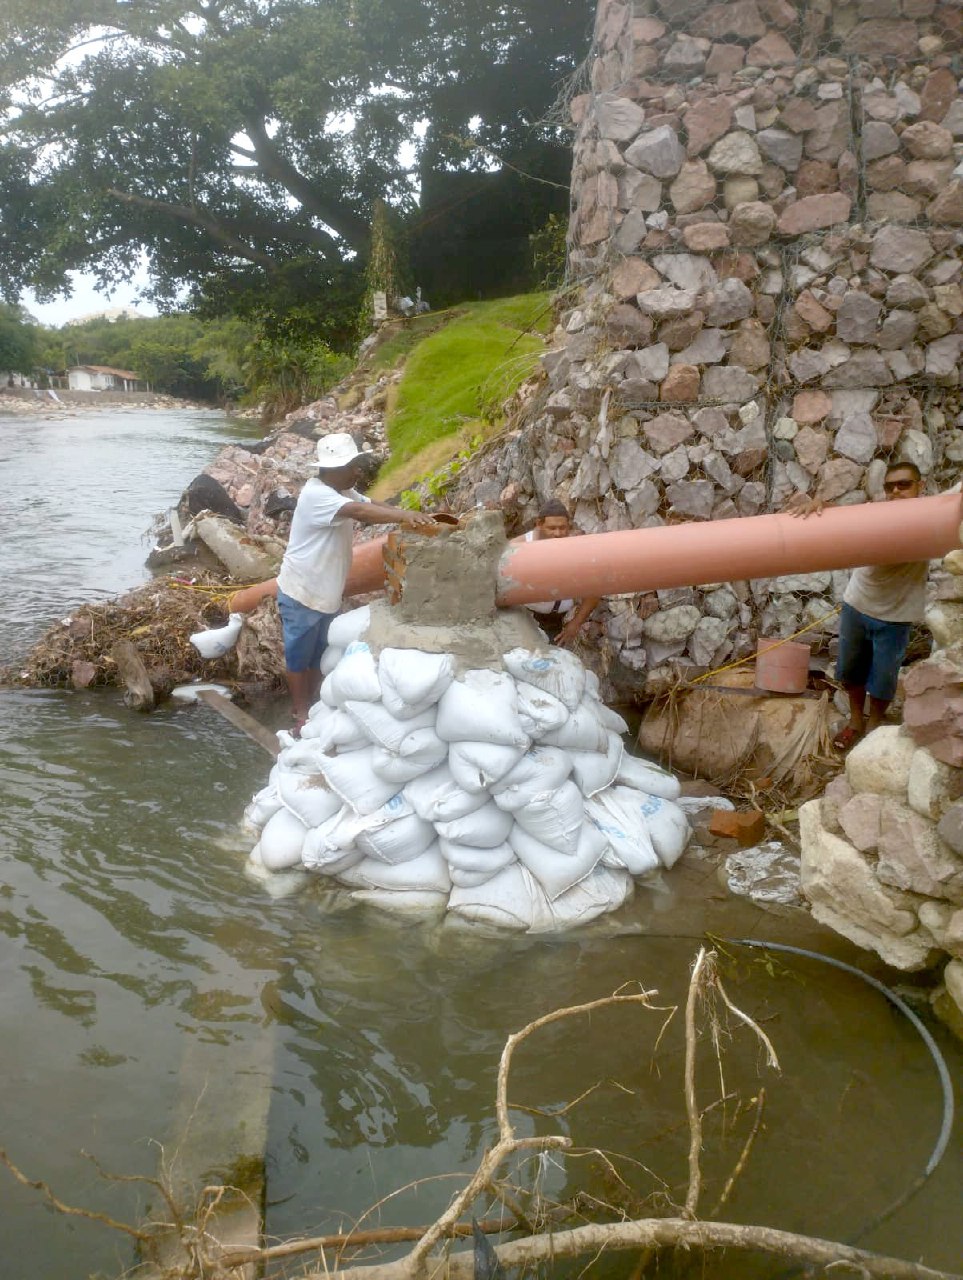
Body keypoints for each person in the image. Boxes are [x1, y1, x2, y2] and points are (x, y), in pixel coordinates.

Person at [277, 432, 435, 732]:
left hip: (325, 591)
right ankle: (300, 712)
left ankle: (312, 704)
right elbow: (361, 512)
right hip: (301, 591)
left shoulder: (342, 491)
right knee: (299, 655)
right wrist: (406, 516)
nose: (357, 471)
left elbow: (369, 502)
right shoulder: (317, 495)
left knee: (318, 654)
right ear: (332, 470)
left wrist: (410, 515)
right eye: (351, 466)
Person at [786, 460, 928, 752]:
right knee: (851, 672)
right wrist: (820, 506)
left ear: (920, 487)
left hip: (896, 616)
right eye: (890, 487)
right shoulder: (877, 514)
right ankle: (855, 723)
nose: (897, 491)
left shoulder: (933, 517)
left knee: (884, 679)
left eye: (904, 485)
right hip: (858, 604)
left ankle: (874, 727)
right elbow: (846, 520)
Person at [516, 500, 601, 647]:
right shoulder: (519, 547)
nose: (558, 533)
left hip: (555, 622)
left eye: (562, 528)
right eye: (552, 528)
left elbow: (594, 591)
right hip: (523, 617)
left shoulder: (576, 550)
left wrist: (575, 623)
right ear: (539, 524)